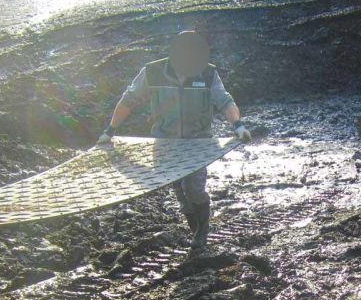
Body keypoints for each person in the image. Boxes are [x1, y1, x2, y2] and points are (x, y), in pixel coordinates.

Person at [98, 31, 251, 252]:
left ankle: (202, 231)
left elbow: (225, 101)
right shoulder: (153, 73)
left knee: (194, 188)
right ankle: (194, 226)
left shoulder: (208, 74)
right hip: (164, 143)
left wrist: (238, 126)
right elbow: (129, 101)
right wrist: (109, 131)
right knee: (179, 190)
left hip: (197, 143)